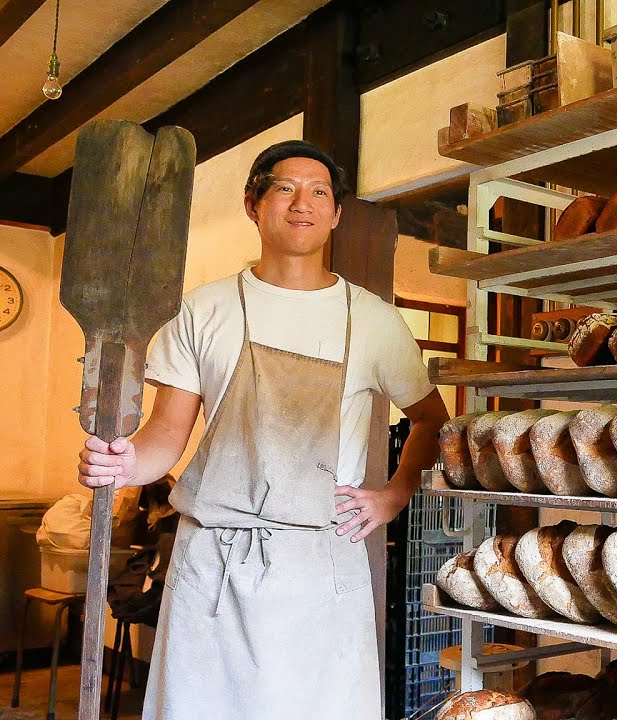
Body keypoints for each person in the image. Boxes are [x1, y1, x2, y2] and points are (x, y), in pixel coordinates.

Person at [77, 140, 451, 719]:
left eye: (319, 192)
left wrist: (394, 495)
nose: (302, 203)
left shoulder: (371, 318)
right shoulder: (202, 311)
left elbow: (431, 419)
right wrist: (123, 462)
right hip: (214, 563)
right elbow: (165, 437)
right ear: (253, 203)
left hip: (321, 563)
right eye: (284, 188)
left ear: (336, 214)